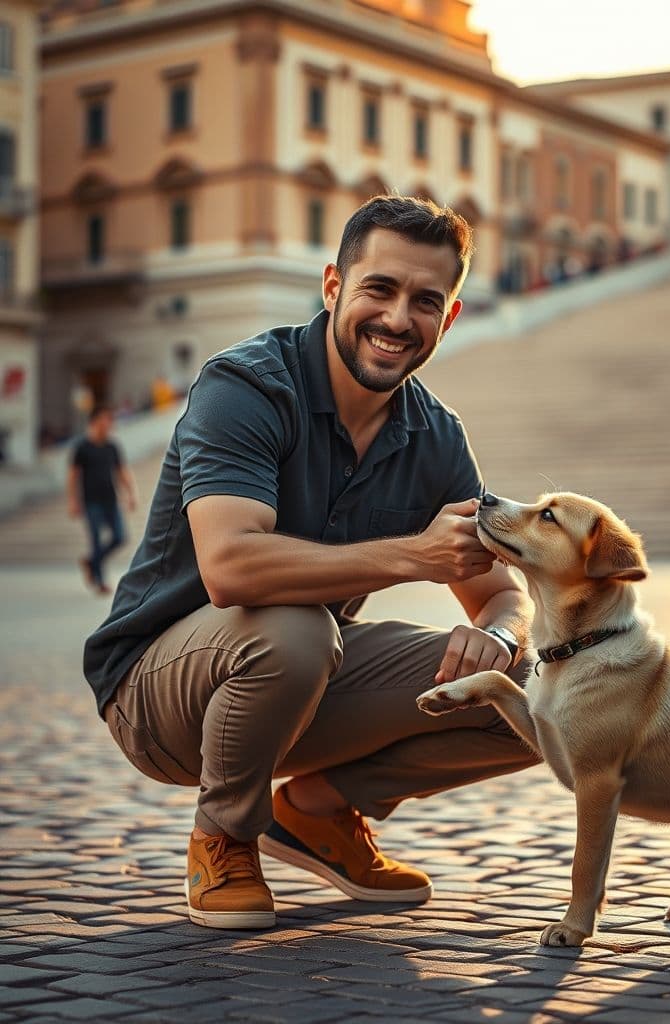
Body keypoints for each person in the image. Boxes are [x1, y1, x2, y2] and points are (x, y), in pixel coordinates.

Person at [83, 195, 539, 931]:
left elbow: (501, 590)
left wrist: (500, 632)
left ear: (448, 319)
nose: (398, 319)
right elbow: (231, 569)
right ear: (333, 288)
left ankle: (316, 811)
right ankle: (225, 836)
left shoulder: (436, 435)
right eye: (379, 290)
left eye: (426, 301)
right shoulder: (248, 386)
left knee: (541, 691)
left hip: (296, 680)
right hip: (158, 692)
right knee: (295, 629)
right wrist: (412, 556)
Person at [68, 406, 137, 595]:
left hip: (111, 499)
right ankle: (99, 581)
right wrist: (73, 500)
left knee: (120, 537)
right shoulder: (82, 447)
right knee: (96, 541)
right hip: (91, 502)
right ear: (95, 422)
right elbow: (73, 476)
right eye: (106, 420)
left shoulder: (112, 446)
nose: (109, 425)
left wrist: (131, 494)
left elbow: (121, 471)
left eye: (110, 421)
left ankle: (91, 562)